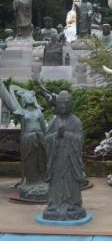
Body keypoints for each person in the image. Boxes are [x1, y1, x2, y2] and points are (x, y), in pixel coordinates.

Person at [42, 90, 86, 221]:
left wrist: (66, 135)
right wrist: (56, 135)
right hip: (56, 159)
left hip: (70, 160)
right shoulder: (54, 121)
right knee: (56, 183)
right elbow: (45, 140)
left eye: (65, 104)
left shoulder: (75, 121)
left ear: (70, 104)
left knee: (70, 182)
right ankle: (55, 205)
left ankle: (72, 205)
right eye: (60, 104)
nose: (62, 107)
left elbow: (80, 140)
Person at [0, 81, 47, 199]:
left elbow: (44, 129)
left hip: (40, 138)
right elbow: (10, 102)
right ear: (23, 101)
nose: (29, 98)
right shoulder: (22, 113)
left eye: (31, 96)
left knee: (41, 160)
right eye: (26, 97)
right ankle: (31, 182)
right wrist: (1, 86)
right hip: (28, 140)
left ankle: (42, 182)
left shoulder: (39, 113)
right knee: (30, 161)